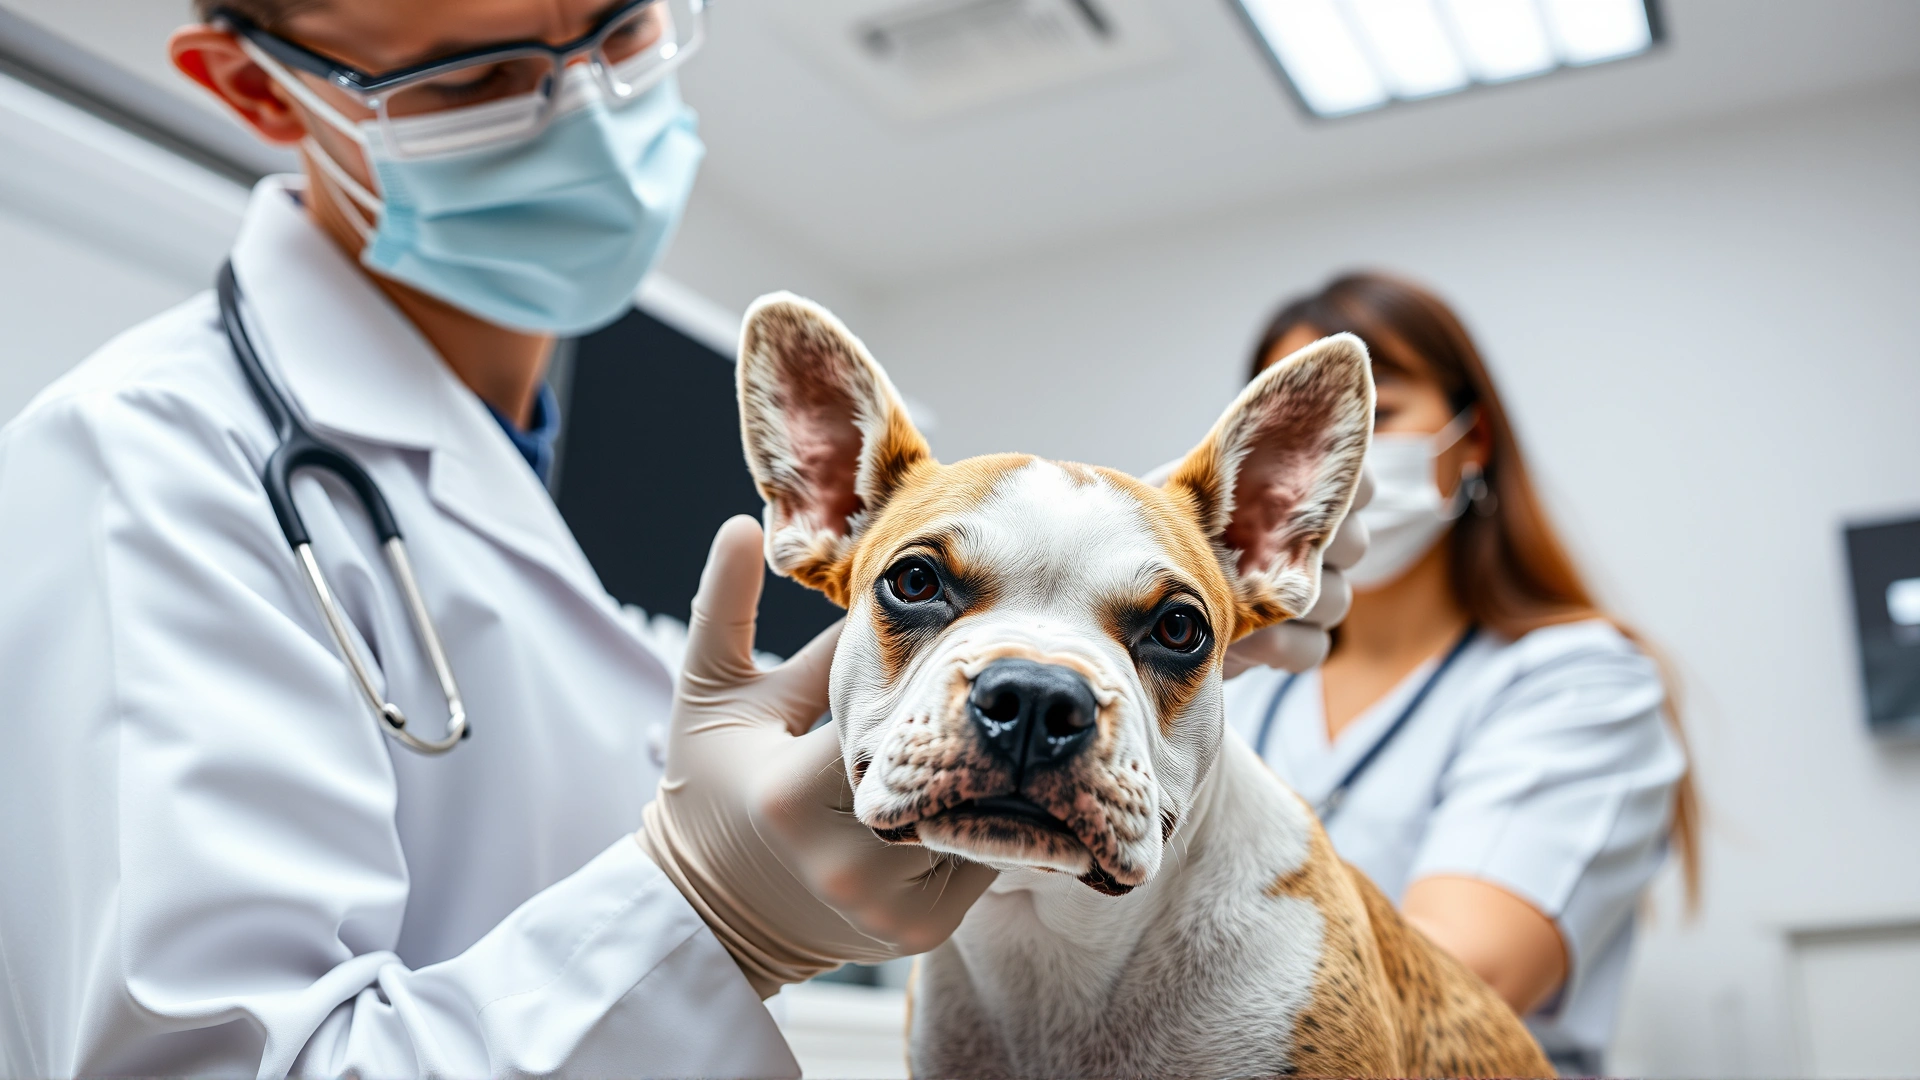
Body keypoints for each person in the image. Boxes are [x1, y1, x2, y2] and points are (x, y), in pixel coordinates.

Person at [0, 3, 1360, 1074]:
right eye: (477, 79)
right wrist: (709, 912)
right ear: (255, 88)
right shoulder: (143, 465)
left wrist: (1181, 613)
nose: (585, 109)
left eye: (622, 27)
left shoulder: (533, 461)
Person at [1224, 271, 1700, 1075]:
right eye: (1295, 433)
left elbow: (1454, 983)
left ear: (1469, 442)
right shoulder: (1244, 685)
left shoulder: (1579, 683)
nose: (1334, 459)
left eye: (1377, 413)